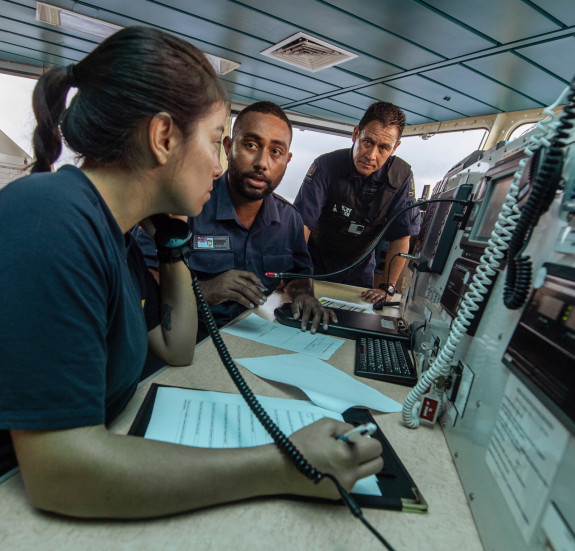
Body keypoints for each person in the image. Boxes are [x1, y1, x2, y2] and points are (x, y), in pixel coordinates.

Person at [0, 26, 382, 518]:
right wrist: (284, 466)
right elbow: (60, 474)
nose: (221, 165)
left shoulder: (115, 233)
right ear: (163, 138)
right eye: (215, 141)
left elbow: (176, 349)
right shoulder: (52, 218)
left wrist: (173, 241)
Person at [135, 101, 334, 338]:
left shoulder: (289, 219)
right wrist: (205, 290)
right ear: (228, 147)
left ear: (287, 160)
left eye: (275, 152)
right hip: (184, 337)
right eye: (251, 145)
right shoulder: (185, 207)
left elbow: (297, 275)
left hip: (254, 336)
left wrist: (303, 294)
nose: (262, 162)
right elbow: (141, 280)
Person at [293, 102, 421, 304]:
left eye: (384, 148)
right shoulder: (325, 165)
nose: (371, 155)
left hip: (359, 271)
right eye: (367, 142)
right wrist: (294, 273)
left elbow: (401, 237)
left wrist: (387, 286)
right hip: (314, 264)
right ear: (355, 134)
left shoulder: (402, 177)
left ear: (395, 148)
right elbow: (302, 225)